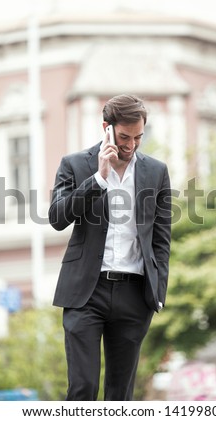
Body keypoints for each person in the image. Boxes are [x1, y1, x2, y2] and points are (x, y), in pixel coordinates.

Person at [48, 94, 172, 400]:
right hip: (86, 293)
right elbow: (57, 218)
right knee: (83, 388)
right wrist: (98, 179)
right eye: (124, 137)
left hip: (134, 295)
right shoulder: (75, 165)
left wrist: (157, 292)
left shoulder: (156, 172)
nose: (130, 145)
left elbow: (161, 239)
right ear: (107, 128)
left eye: (138, 137)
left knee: (120, 395)